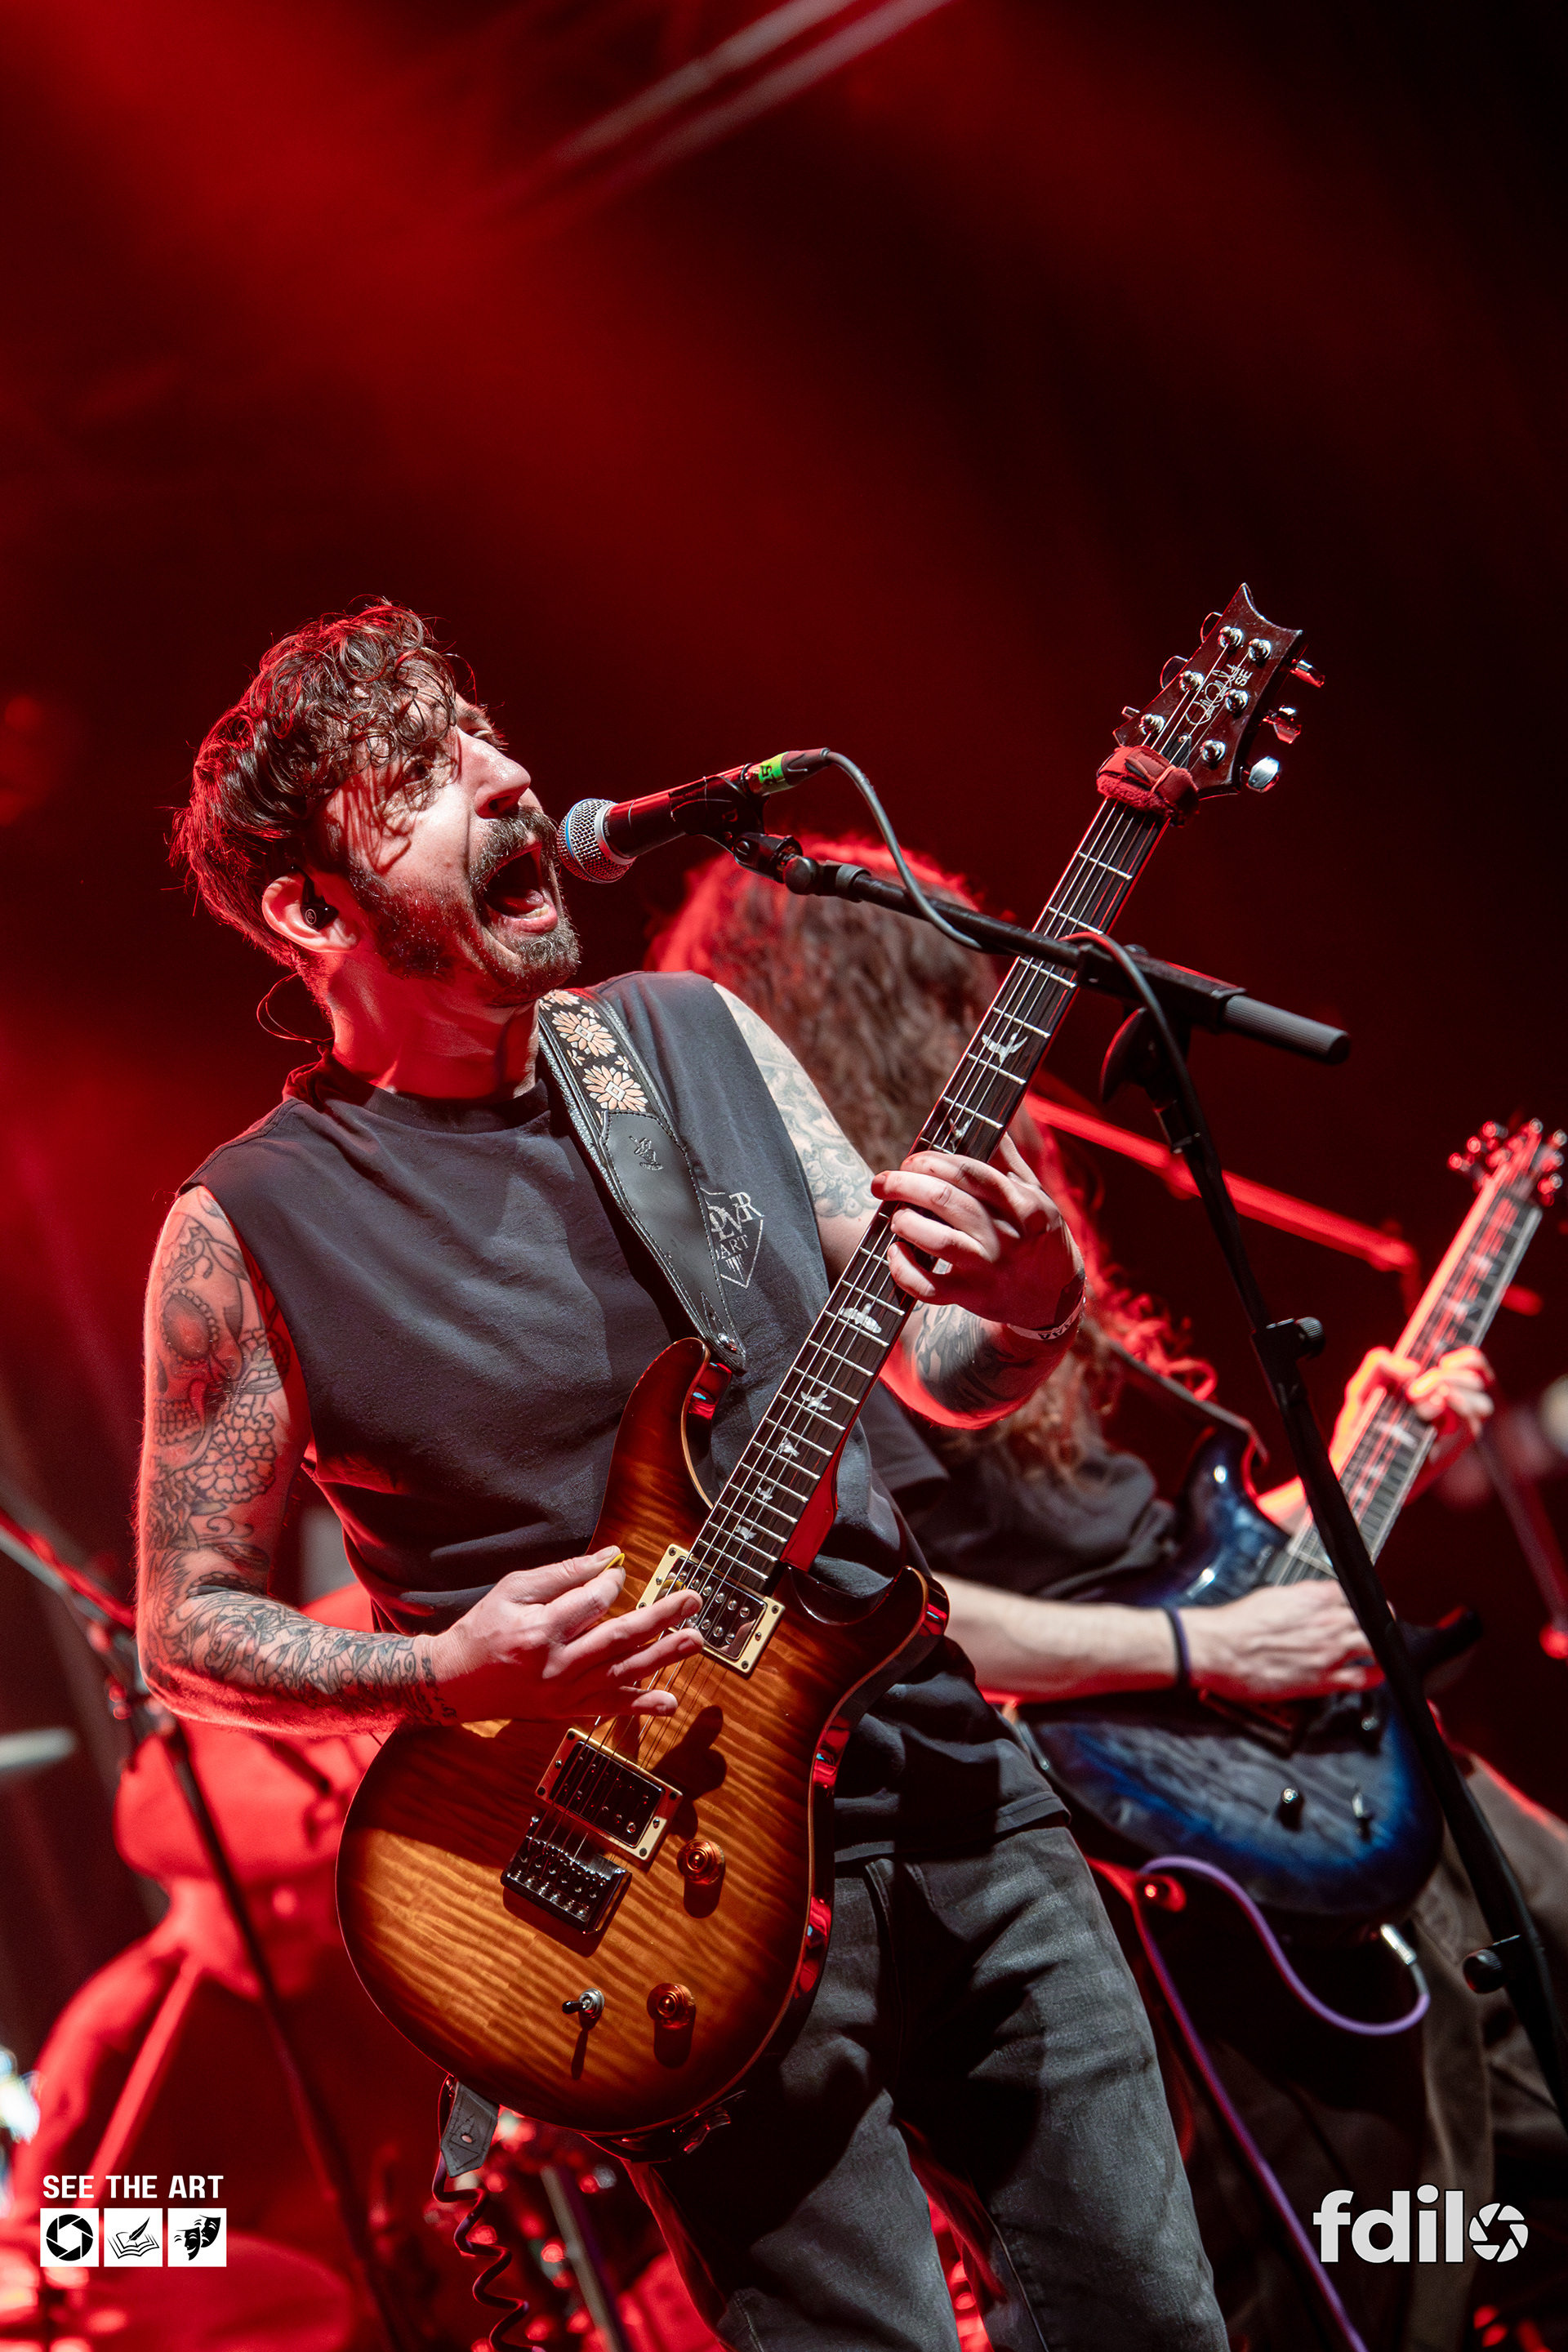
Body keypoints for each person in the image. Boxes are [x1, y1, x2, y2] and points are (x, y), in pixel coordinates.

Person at [136, 602, 1227, 2350]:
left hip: (949, 1792)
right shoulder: (248, 1226)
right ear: (311, 912)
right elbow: (184, 1628)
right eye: (422, 779)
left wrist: (1034, 1300)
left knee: (1158, 2325)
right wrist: (444, 1670)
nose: (508, 778)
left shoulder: (693, 1039)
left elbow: (931, 1366)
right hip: (645, 1906)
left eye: (485, 735)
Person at [648, 833, 1568, 2352]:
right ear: (866, 1011)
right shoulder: (833, 1290)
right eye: (951, 997)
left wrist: (1360, 1462)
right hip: (1170, 1799)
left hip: (1297, 1733)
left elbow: (1167, 1556)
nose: (993, 1035)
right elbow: (889, 1611)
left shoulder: (1006, 1274)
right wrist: (1205, 1647)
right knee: (1396, 2218)